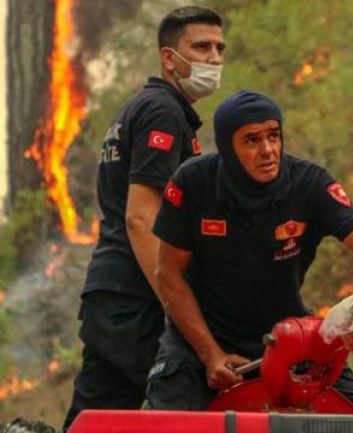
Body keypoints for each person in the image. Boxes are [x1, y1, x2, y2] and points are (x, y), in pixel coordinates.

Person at [145, 90, 353, 413]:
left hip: (288, 340)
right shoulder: (192, 183)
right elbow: (168, 273)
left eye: (273, 136)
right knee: (168, 423)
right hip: (199, 343)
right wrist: (210, 355)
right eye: (252, 140)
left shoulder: (310, 183)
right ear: (227, 148)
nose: (267, 150)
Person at [63, 6, 226, 431]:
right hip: (138, 299)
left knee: (95, 418)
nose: (213, 58)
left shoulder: (144, 108)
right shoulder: (162, 112)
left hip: (112, 294)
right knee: (186, 406)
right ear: (169, 58)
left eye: (219, 48)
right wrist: (177, 301)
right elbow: (140, 216)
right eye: (201, 47)